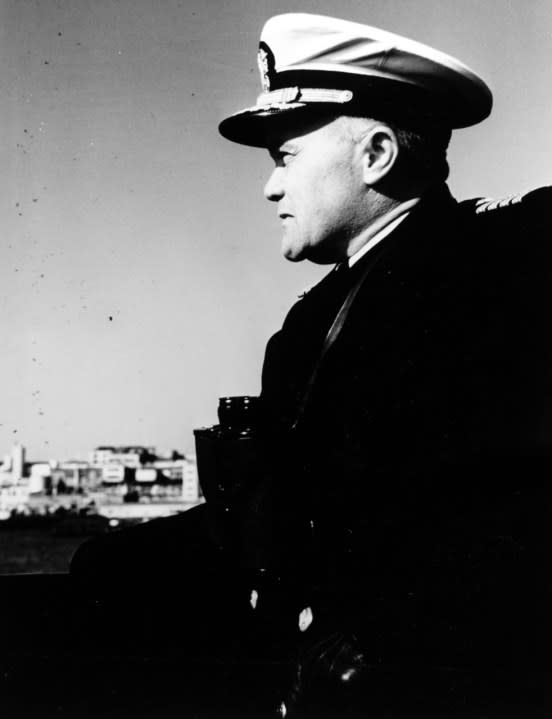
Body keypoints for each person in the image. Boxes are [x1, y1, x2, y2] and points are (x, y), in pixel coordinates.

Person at [71, 13, 550, 717]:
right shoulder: (310, 320)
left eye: (286, 156)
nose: (270, 188)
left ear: (377, 153)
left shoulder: (497, 270)